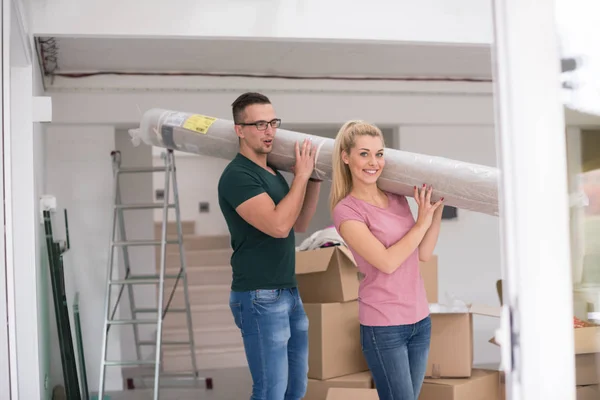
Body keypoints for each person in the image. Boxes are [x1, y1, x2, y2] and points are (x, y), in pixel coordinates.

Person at [217, 92, 322, 400]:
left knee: (295, 389)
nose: (270, 131)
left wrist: (312, 180)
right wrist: (300, 177)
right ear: (240, 129)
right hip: (259, 295)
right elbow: (277, 226)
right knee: (269, 391)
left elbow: (297, 224)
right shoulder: (238, 176)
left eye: (273, 122)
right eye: (260, 124)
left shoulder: (272, 173)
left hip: (288, 290)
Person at [329, 120, 444, 400]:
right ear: (346, 157)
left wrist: (435, 211)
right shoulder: (347, 210)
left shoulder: (397, 198)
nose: (373, 162)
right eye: (364, 153)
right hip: (384, 326)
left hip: (420, 319)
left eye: (379, 154)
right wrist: (420, 224)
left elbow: (423, 254)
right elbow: (387, 262)